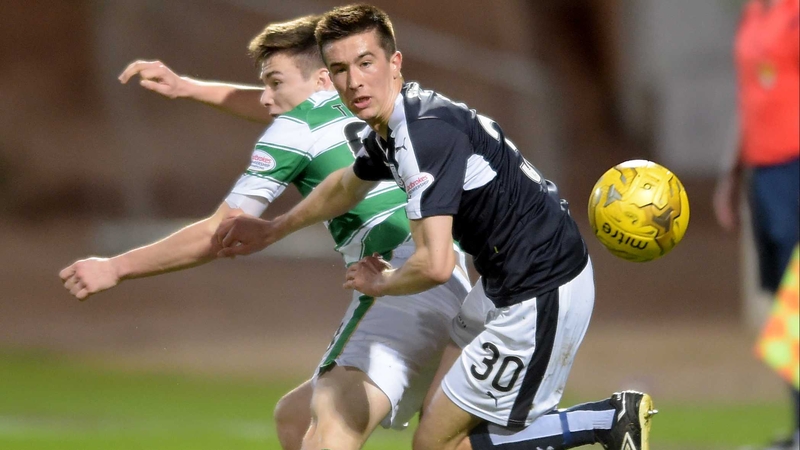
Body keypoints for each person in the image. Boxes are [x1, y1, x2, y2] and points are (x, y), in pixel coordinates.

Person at [215, 4, 657, 450]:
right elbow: (345, 186)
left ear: (394, 62)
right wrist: (273, 229)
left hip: (541, 287)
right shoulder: (396, 124)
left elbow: (435, 264)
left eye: (365, 63)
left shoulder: (422, 135)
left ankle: (606, 419)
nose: (354, 81)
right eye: (341, 69)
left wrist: (381, 283)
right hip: (503, 281)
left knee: (436, 444)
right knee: (439, 425)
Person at [58, 15, 471, 450]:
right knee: (299, 417)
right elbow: (282, 107)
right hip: (454, 272)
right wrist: (188, 88)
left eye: (275, 82)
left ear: (322, 79)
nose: (266, 98)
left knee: (332, 423)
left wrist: (116, 268)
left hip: (394, 278)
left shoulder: (295, 128)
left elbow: (221, 233)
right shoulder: (376, 102)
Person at [714, 0, 800, 448]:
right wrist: (731, 173)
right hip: (764, 174)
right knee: (787, 307)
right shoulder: (754, 12)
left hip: (794, 168)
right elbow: (751, 99)